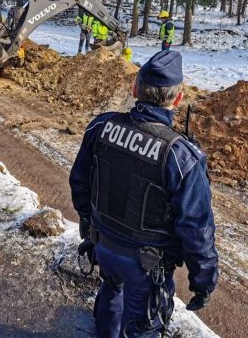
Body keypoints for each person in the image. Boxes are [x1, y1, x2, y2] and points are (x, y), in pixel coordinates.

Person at [70, 51, 218, 338]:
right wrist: (203, 282)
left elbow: (80, 181)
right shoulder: (180, 156)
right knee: (142, 328)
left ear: (135, 89)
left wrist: (88, 225)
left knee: (111, 296)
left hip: (104, 245)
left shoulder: (101, 127)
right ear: (177, 99)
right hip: (146, 266)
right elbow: (196, 229)